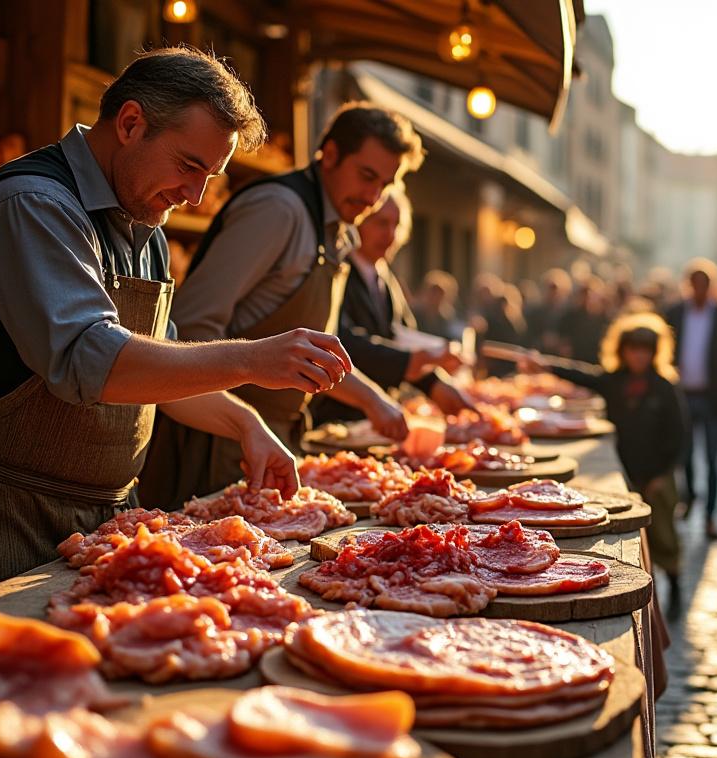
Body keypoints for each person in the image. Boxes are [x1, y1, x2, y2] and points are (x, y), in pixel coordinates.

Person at [0, 47, 356, 604]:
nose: (194, 196)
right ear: (130, 122)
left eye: (209, 177)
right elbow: (90, 360)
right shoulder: (32, 204)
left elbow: (157, 372)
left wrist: (244, 424)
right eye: (189, 166)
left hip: (105, 518)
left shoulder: (146, 226)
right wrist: (251, 359)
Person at [139, 102, 434, 509]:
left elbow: (310, 354)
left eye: (383, 184)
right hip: (219, 443)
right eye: (366, 176)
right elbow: (190, 329)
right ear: (329, 154)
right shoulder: (277, 210)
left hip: (273, 440)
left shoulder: (339, 231)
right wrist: (241, 420)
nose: (372, 197)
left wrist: (372, 399)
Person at [525, 313, 687, 616]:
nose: (638, 355)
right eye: (633, 349)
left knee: (664, 534)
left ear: (654, 353)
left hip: (658, 475)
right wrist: (545, 365)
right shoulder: (615, 381)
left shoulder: (664, 387)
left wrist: (665, 473)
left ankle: (676, 584)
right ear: (622, 350)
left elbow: (679, 435)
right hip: (626, 471)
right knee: (636, 538)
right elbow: (581, 375)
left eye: (645, 350)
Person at [310, 182, 470, 427]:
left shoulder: (386, 277)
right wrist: (410, 361)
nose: (390, 234)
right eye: (381, 223)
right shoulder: (338, 270)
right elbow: (341, 338)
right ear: (358, 222)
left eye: (396, 225)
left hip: (378, 418)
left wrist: (434, 382)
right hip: (335, 417)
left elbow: (401, 336)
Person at [666, 258, 717, 540]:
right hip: (682, 396)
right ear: (688, 285)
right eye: (695, 284)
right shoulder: (674, 313)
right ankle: (688, 496)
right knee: (683, 455)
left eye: (704, 284)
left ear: (712, 286)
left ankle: (710, 516)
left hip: (714, 400)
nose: (699, 289)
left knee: (713, 459)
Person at [525, 268, 571, 354]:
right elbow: (528, 338)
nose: (553, 293)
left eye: (555, 289)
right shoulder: (534, 313)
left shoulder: (570, 315)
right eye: (550, 288)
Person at [412, 270, 460, 340]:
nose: (436, 296)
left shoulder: (448, 318)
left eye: (440, 293)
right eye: (433, 291)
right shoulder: (415, 313)